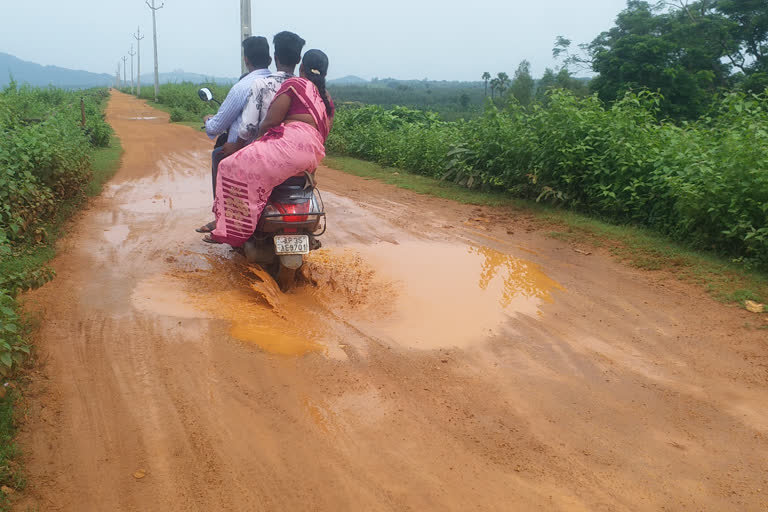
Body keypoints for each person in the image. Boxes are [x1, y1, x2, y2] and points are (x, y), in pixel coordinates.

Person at [204, 50, 334, 246]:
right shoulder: (327, 99)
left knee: (227, 166)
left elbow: (270, 122)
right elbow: (323, 134)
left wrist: (261, 138)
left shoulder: (296, 84)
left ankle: (231, 229)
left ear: (302, 68)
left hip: (287, 147)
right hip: (311, 155)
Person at [196, 36, 272, 233]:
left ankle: (221, 217)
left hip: (245, 150)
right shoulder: (282, 83)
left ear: (246, 60)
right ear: (270, 60)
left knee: (218, 155)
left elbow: (218, 126)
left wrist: (207, 121)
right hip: (276, 150)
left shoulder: (242, 87)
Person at [224, 31, 306, 153]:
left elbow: (249, 126)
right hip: (295, 150)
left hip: (265, 151)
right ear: (299, 60)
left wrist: (236, 146)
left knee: (222, 161)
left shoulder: (261, 84)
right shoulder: (304, 87)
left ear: (275, 57)